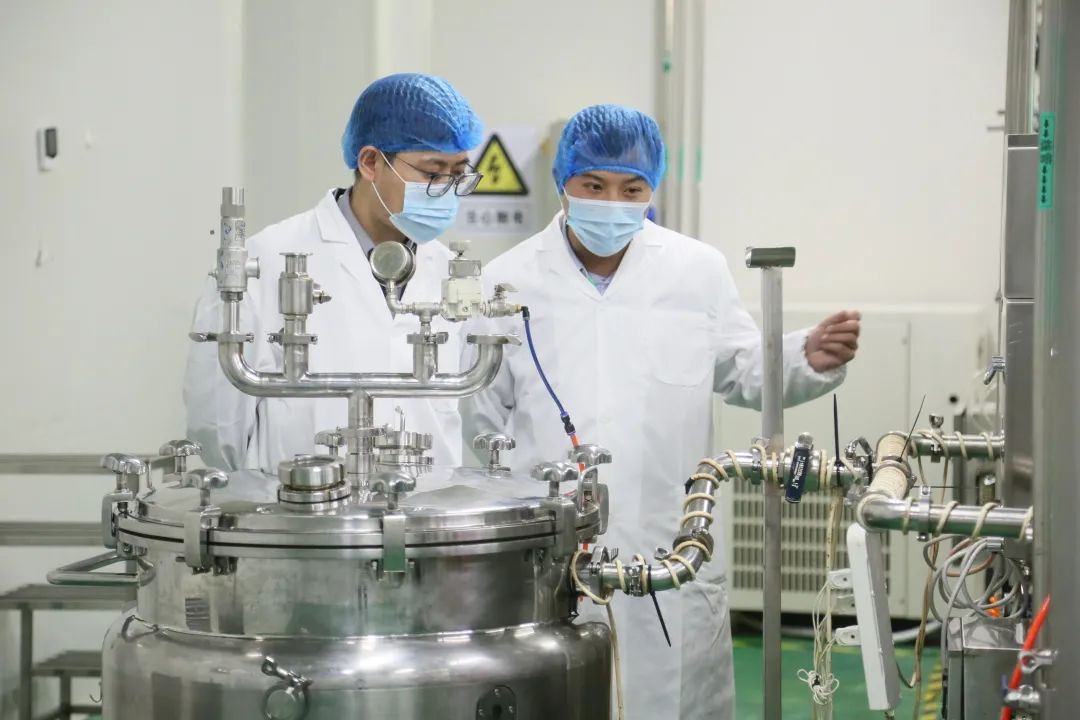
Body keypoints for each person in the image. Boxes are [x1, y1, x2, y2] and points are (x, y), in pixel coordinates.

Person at [461, 104, 860, 720]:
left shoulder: (696, 270)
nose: (612, 202)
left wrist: (802, 356)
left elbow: (742, 368)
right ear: (563, 181)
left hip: (670, 546)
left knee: (671, 701)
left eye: (632, 189)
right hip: (551, 552)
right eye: (594, 185)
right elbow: (479, 425)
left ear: (653, 189)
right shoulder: (507, 281)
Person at [185, 73, 485, 473]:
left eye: (458, 173)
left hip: (428, 504)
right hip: (302, 505)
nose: (447, 189)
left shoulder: (450, 270)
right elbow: (218, 424)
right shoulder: (265, 260)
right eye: (432, 174)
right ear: (371, 162)